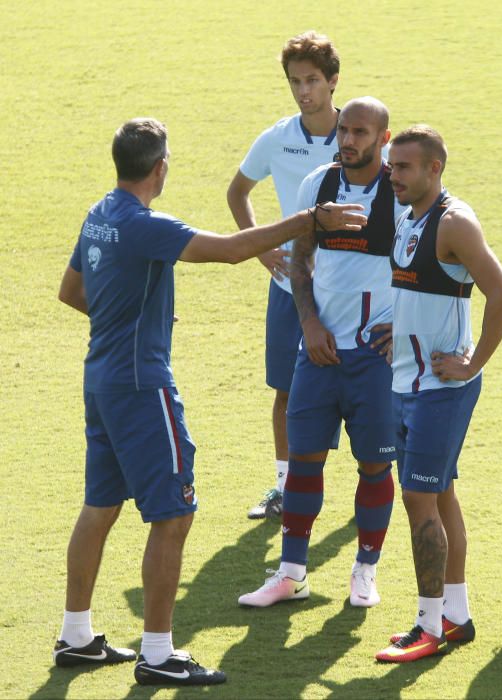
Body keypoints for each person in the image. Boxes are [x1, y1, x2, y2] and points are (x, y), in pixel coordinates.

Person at [55, 117, 365, 686]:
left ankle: (76, 635)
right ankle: (158, 653)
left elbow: (71, 292)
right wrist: (308, 221)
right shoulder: (146, 224)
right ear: (160, 169)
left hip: (100, 381)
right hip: (142, 388)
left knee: (100, 506)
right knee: (174, 514)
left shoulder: (98, 214)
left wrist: (127, 315)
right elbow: (228, 250)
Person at [238, 97, 405, 610]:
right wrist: (308, 321)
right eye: (345, 131)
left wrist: (404, 323)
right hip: (320, 350)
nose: (348, 140)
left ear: (383, 137)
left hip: (376, 358)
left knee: (375, 467)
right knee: (304, 460)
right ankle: (291, 574)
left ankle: (364, 572)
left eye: (360, 132)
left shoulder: (401, 195)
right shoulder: (318, 187)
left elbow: (429, 267)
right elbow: (301, 264)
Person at [374, 126, 502, 662]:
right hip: (406, 383)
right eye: (391, 167)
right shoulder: (408, 216)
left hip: (439, 389)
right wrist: (397, 327)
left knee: (418, 500)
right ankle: (455, 616)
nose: (394, 176)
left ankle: (427, 625)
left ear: (435, 169)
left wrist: (471, 362)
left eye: (404, 167)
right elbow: (418, 291)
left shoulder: (454, 223)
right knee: (440, 495)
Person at [227, 31, 342, 521]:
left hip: (349, 289)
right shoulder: (277, 138)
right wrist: (262, 249)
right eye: (295, 81)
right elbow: (238, 192)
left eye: (312, 80)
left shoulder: (359, 134)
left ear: (333, 81)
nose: (303, 91)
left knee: (360, 388)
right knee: (287, 391)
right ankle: (284, 489)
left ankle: (374, 481)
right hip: (289, 288)